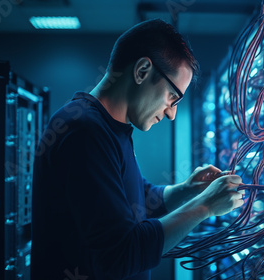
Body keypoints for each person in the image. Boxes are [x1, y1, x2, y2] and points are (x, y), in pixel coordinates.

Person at [31, 19, 244, 280]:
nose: (171, 114)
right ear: (142, 70)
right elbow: (120, 253)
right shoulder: (84, 132)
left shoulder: (109, 128)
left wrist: (187, 191)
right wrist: (205, 206)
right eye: (172, 98)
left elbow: (134, 200)